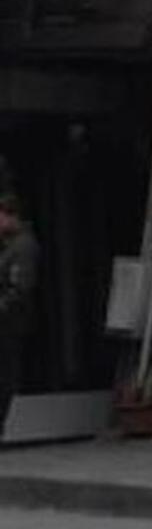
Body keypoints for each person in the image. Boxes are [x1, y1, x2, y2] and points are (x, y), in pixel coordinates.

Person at [0, 165, 40, 441]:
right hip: (8, 323)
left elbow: (20, 289)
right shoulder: (10, 246)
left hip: (9, 326)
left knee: (4, 378)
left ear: (11, 215)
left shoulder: (23, 247)